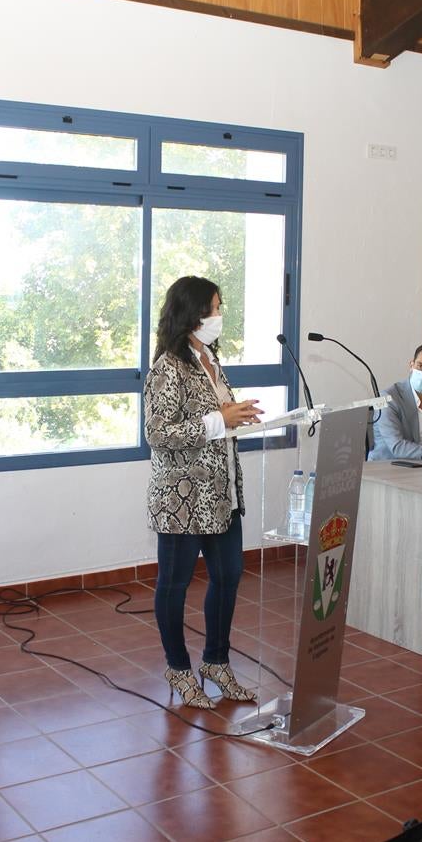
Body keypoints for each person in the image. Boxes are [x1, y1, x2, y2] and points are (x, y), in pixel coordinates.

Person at [144, 276, 263, 709]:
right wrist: (220, 420)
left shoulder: (209, 358)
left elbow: (219, 417)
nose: (219, 316)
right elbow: (158, 434)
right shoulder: (167, 367)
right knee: (174, 585)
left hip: (222, 493)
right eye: (214, 308)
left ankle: (216, 662)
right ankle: (178, 669)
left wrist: (237, 417)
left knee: (229, 577)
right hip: (182, 499)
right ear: (192, 313)